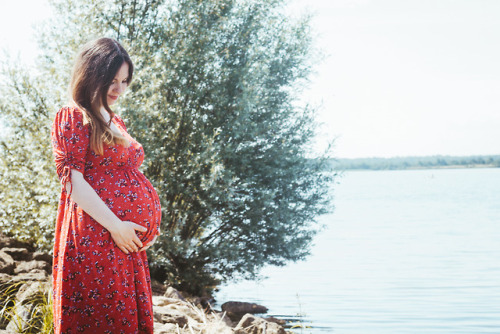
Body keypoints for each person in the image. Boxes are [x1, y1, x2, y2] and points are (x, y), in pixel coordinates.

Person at [51, 37, 161, 334]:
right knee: (104, 319)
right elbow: (72, 180)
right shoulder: (73, 115)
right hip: (97, 236)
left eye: (124, 81)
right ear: (91, 74)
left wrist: (147, 227)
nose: (119, 89)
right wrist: (117, 225)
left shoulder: (115, 120)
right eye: (112, 80)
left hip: (124, 240)